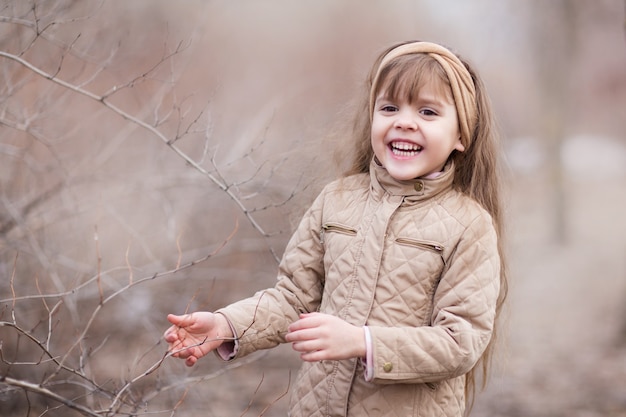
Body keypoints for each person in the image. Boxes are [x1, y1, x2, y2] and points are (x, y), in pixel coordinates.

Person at [164, 40, 508, 417]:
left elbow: (460, 342)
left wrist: (364, 342)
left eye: (428, 111)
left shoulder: (469, 225)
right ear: (373, 119)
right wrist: (226, 324)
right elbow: (294, 299)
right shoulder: (337, 199)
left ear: (461, 135)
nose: (404, 121)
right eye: (390, 107)